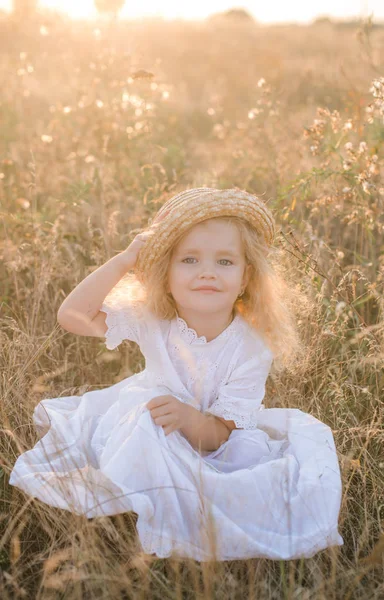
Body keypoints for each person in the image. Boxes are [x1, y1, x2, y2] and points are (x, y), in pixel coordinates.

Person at [9, 187, 344, 561]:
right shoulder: (153, 318)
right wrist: (124, 260)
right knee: (149, 425)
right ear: (164, 272)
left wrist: (189, 417)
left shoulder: (252, 346)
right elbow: (72, 316)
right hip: (148, 419)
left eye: (224, 262)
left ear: (246, 276)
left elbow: (219, 433)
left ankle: (173, 523)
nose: (206, 273)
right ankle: (137, 506)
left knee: (246, 484)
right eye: (188, 260)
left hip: (209, 433)